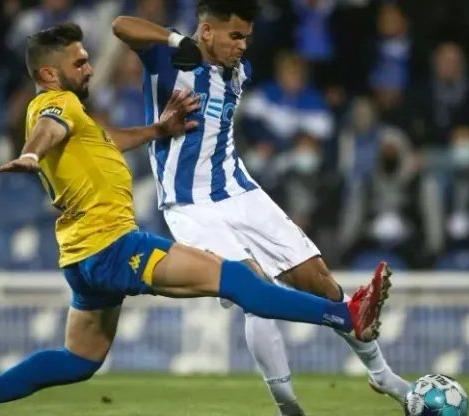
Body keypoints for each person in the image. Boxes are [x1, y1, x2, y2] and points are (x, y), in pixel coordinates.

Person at [0, 22, 390, 416]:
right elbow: (48, 128)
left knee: (80, 358)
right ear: (50, 74)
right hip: (114, 246)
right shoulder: (58, 103)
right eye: (80, 63)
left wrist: (157, 130)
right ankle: (345, 315)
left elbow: (105, 139)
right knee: (238, 279)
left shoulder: (78, 120)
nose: (89, 69)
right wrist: (32, 153)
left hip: (80, 258)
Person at [112, 1, 409, 415]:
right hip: (190, 204)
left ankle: (385, 377)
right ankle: (288, 407)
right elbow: (121, 25)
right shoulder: (168, 60)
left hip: (240, 191)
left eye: (247, 38)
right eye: (235, 36)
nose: (242, 46)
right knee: (254, 290)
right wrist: (176, 40)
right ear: (207, 31)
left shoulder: (238, 71)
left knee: (321, 281)